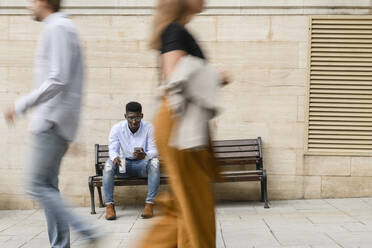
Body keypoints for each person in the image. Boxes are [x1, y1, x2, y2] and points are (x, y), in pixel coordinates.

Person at [3, 0, 98, 247]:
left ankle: (86, 229)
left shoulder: (57, 28)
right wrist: (73, 133)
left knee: (36, 185)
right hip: (58, 123)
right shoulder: (64, 28)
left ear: (43, 1)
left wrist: (20, 105)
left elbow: (58, 80)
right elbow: (74, 84)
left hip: (50, 122)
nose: (28, 6)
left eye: (32, 1)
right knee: (48, 187)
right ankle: (61, 244)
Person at [137, 0, 230, 247]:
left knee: (179, 209)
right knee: (195, 207)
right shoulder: (175, 30)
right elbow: (173, 75)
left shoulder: (174, 29)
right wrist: (216, 75)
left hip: (180, 123)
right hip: (180, 124)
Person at [103, 101, 160, 220]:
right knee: (108, 165)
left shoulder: (149, 128)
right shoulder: (117, 128)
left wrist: (145, 155)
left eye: (137, 118)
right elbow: (112, 149)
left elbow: (154, 151)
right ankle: (109, 206)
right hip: (124, 165)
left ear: (142, 116)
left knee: (155, 162)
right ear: (125, 116)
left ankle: (149, 204)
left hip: (141, 165)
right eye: (130, 118)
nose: (134, 121)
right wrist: (115, 157)